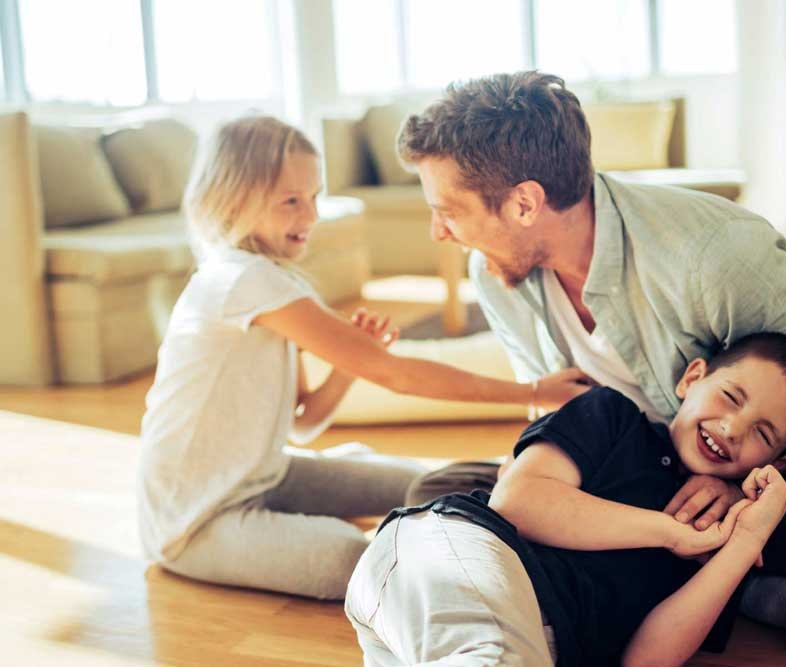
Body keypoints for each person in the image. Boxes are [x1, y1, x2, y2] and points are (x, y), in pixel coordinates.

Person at [395, 71, 786, 660]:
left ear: (525, 202)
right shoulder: (497, 276)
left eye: (447, 211)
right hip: (629, 468)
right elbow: (561, 419)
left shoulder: (715, 254)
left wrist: (737, 484)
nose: (439, 231)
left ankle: (721, 562)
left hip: (771, 456)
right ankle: (745, 579)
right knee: (436, 495)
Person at [137, 115, 588, 600]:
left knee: (430, 484)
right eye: (291, 201)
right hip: (196, 519)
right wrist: (536, 392)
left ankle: (551, 512)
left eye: (314, 197)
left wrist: (352, 365)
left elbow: (304, 424)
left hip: (266, 476)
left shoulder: (270, 279)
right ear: (232, 197)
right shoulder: (241, 280)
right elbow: (396, 376)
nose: (309, 217)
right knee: (352, 559)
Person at [346, 333, 786, 666]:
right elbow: (517, 501)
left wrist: (743, 542)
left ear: (774, 462)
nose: (732, 428)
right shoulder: (612, 416)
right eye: (731, 398)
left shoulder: (720, 529)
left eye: (762, 433)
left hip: (512, 640)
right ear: (692, 379)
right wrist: (670, 533)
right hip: (452, 555)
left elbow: (645, 660)